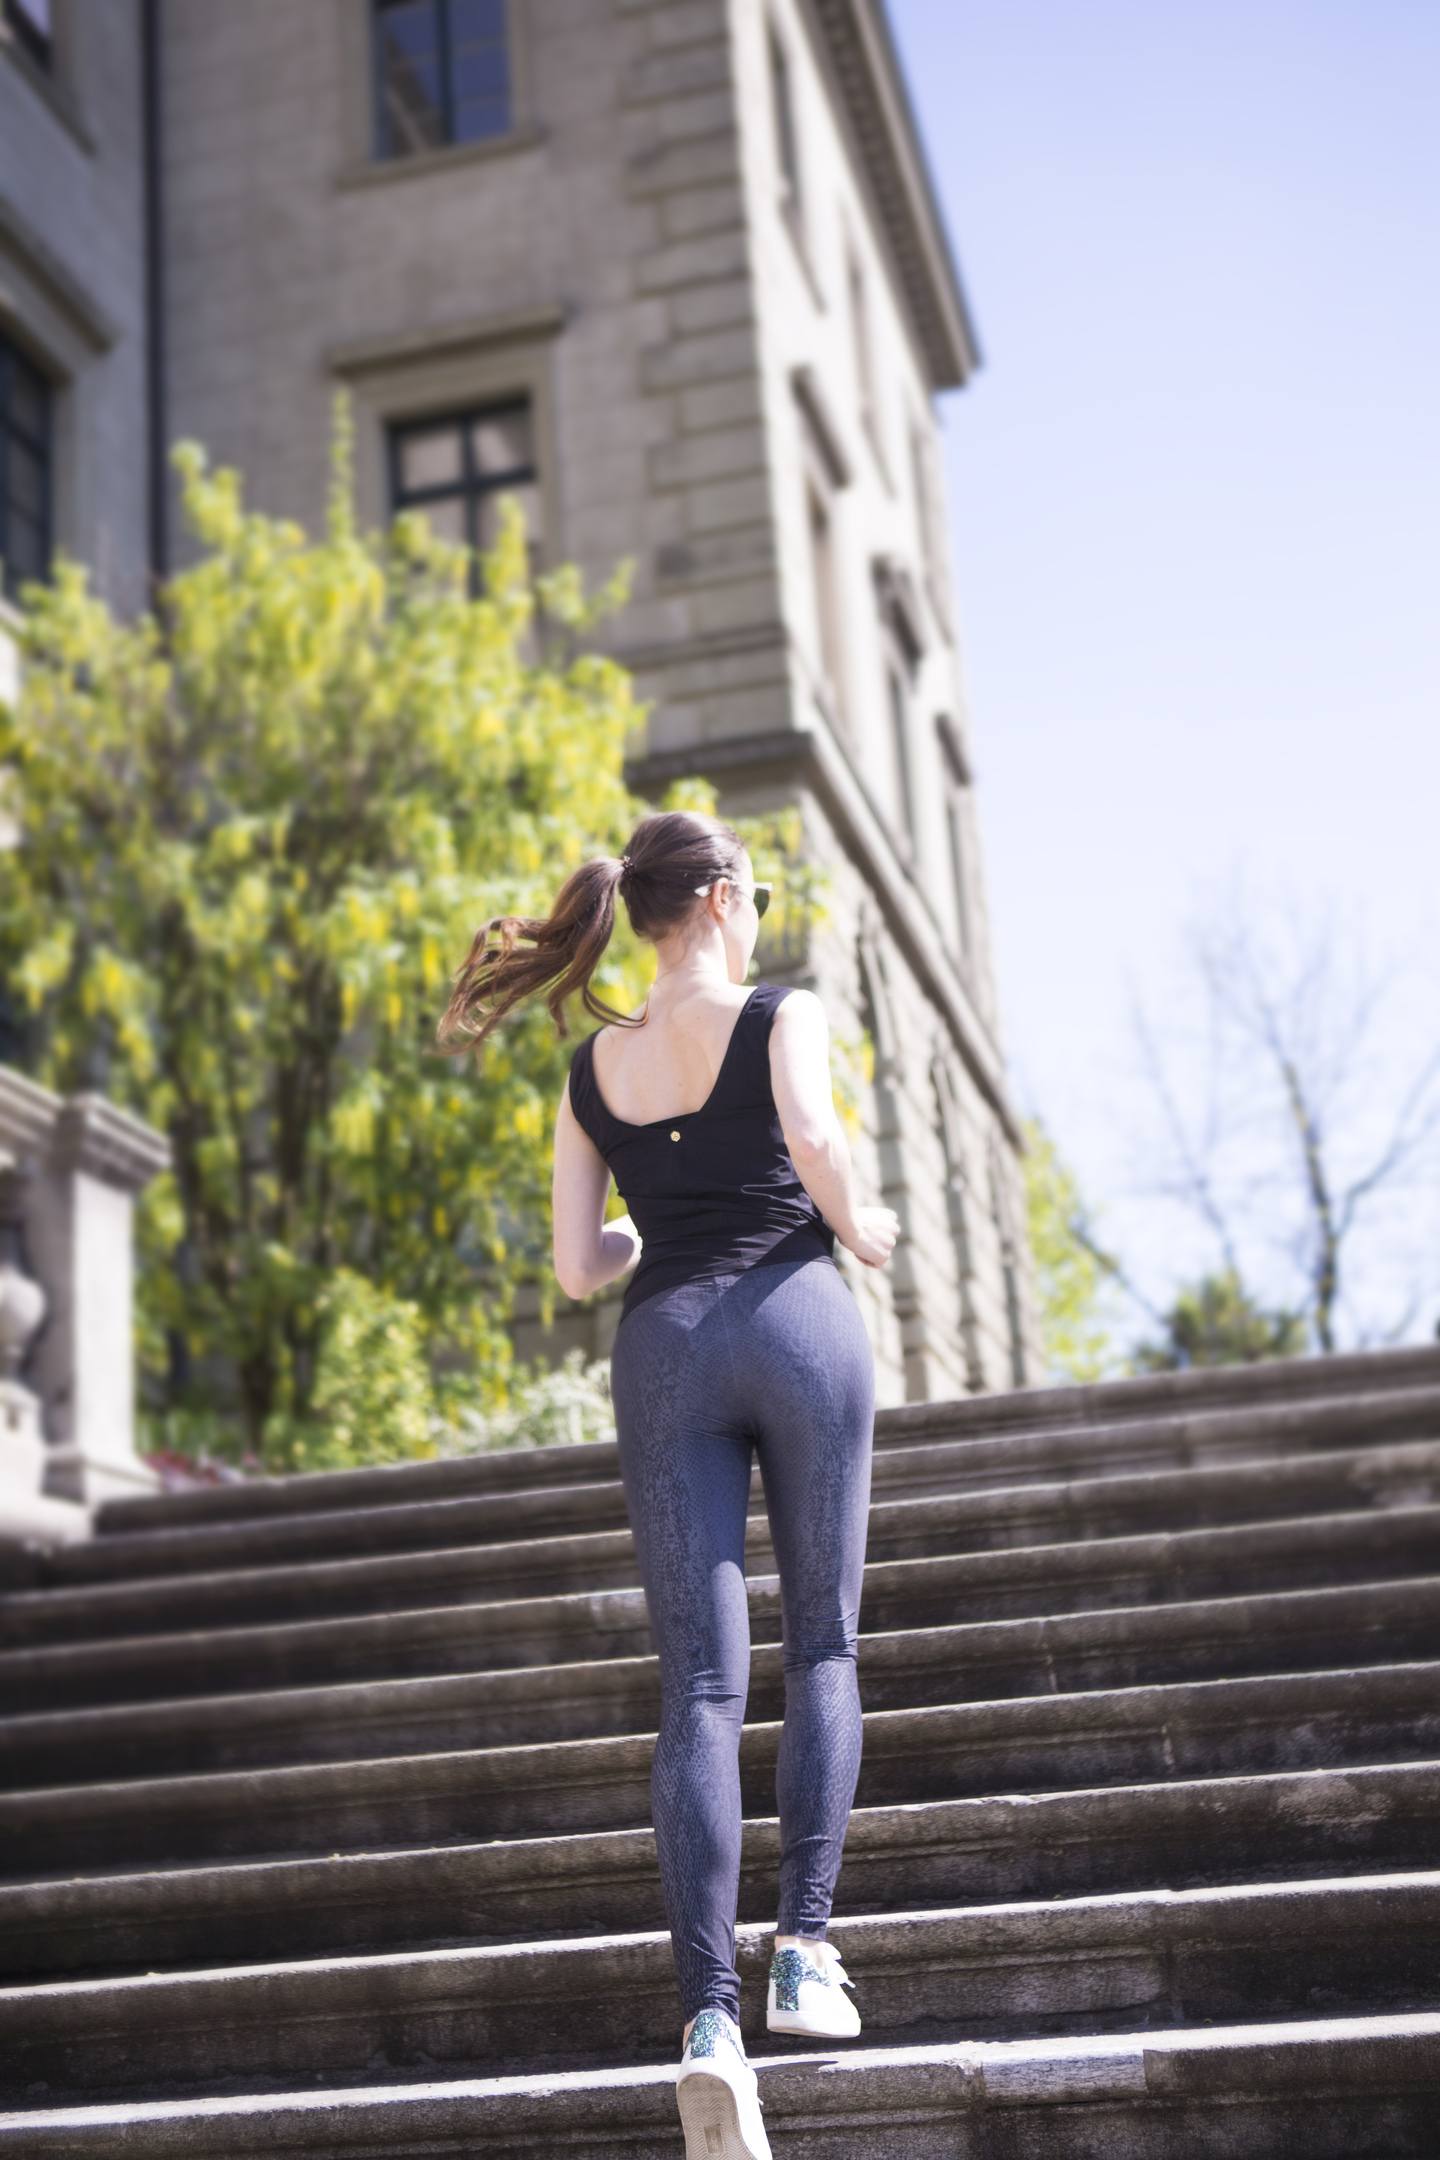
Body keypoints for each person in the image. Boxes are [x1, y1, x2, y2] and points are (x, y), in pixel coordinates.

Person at [438, 809, 899, 2160]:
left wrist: (667, 1220)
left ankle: (708, 2023)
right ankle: (804, 1953)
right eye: (750, 893)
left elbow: (580, 1269)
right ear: (713, 900)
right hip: (801, 1323)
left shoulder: (592, 1069)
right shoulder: (780, 1015)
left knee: (698, 1686)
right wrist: (859, 1223)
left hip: (666, 1352)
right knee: (822, 1643)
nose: (756, 914)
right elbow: (812, 1139)